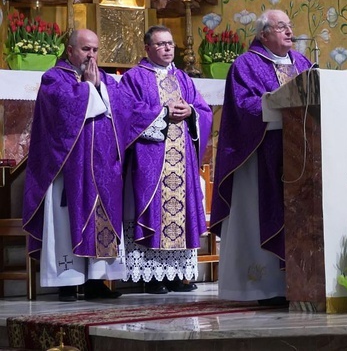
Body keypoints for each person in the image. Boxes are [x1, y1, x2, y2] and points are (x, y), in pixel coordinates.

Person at [22, 29, 158, 301]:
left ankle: (97, 282)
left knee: (102, 222)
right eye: (86, 49)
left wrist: (161, 112)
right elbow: (63, 109)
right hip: (68, 170)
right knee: (65, 222)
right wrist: (89, 87)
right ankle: (68, 283)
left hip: (104, 170)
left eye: (95, 50)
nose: (92, 55)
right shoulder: (53, 79)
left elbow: (126, 107)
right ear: (70, 50)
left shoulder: (106, 79)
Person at [210, 9, 312, 304]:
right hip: (261, 156)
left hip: (302, 153)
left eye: (290, 26)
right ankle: (266, 288)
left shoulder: (303, 63)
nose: (289, 32)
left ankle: (302, 281)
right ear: (263, 34)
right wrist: (278, 104)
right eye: (281, 27)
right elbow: (243, 107)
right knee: (262, 215)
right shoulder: (246, 65)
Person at [120, 25, 212, 294]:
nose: (168, 48)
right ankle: (151, 278)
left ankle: (175, 275)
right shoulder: (134, 78)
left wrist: (192, 112)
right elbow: (127, 112)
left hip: (182, 160)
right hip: (150, 157)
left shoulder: (183, 78)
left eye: (171, 43)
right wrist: (162, 113)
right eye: (160, 44)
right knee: (152, 212)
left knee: (179, 214)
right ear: (147, 48)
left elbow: (204, 110)